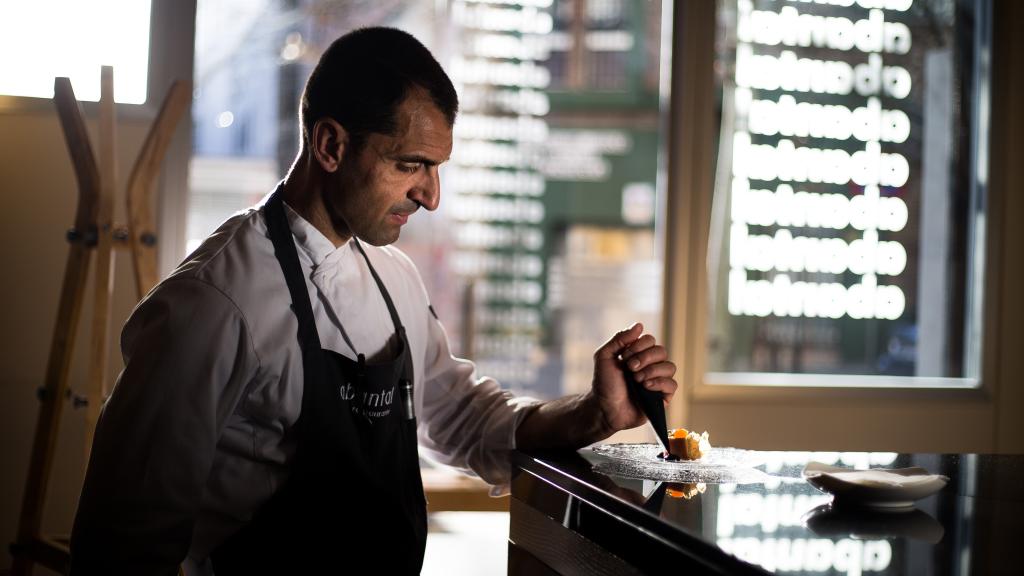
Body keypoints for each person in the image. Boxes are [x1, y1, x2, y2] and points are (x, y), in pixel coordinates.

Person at [69, 27, 677, 575]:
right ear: (331, 145)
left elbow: (463, 418)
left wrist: (594, 414)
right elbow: (123, 543)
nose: (431, 196)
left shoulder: (394, 277)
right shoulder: (212, 303)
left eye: (436, 168)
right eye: (411, 165)